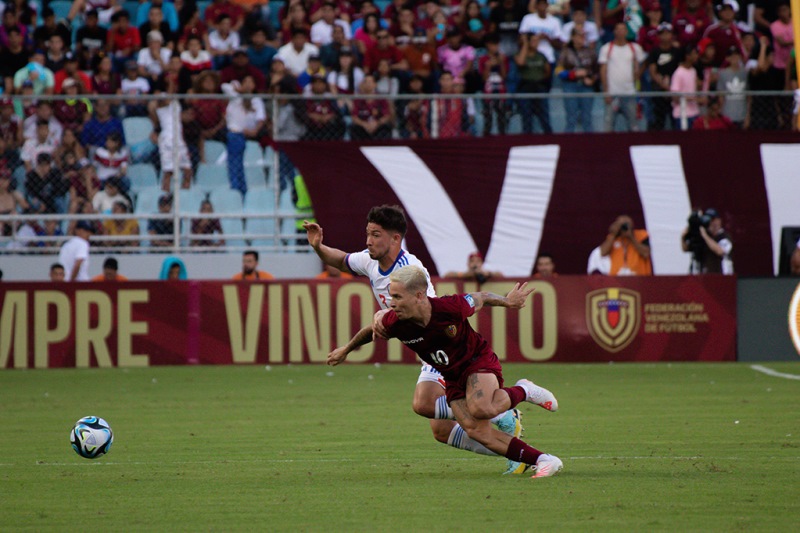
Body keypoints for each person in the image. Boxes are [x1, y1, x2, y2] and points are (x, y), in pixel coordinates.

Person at [303, 206, 528, 475]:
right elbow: (341, 260)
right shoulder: (369, 260)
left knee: (424, 404)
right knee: (442, 431)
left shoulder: (411, 270)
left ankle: (501, 414)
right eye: (367, 234)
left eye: (375, 235)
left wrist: (382, 316)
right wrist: (318, 247)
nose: (368, 241)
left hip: (442, 345)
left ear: (395, 239)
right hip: (426, 350)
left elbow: (426, 312)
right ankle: (516, 452)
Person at [327, 265, 563, 478]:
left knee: (481, 408)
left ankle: (524, 390)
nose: (391, 302)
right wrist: (346, 349)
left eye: (397, 296)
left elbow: (480, 297)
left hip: (477, 361)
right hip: (451, 376)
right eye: (391, 296)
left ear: (419, 296)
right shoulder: (395, 321)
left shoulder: (448, 308)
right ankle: (544, 460)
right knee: (476, 430)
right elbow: (371, 331)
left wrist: (507, 301)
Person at [681, 208, 734, 274]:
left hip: (721, 276)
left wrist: (705, 235)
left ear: (719, 221)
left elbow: (720, 251)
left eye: (713, 220)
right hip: (705, 276)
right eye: (709, 220)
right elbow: (685, 248)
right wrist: (683, 237)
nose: (711, 223)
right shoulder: (704, 237)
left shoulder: (724, 236)